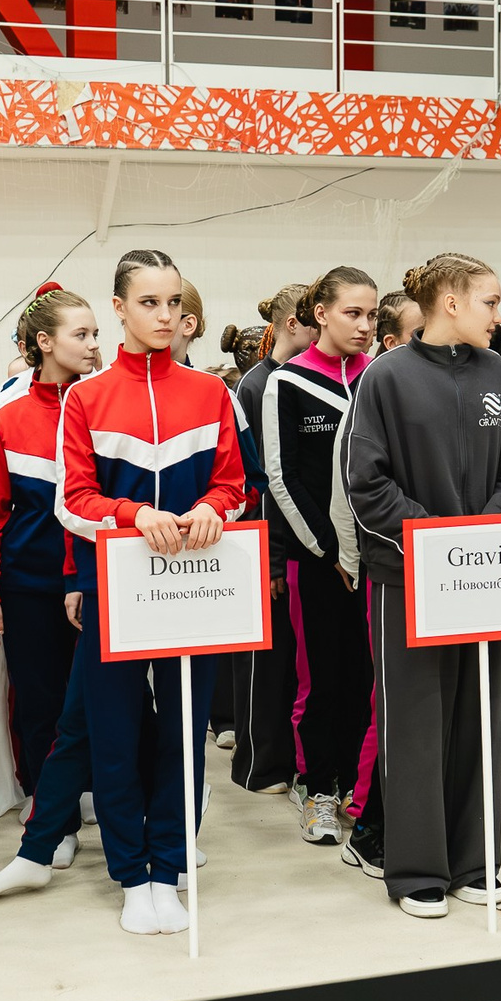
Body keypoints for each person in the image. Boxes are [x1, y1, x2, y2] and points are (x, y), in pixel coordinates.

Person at [0, 251, 247, 933]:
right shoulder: (84, 398)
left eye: (173, 302)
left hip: (196, 590)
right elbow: (73, 501)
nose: (165, 316)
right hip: (113, 588)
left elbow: (236, 485)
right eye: (148, 302)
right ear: (119, 308)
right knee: (115, 733)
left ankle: (168, 867)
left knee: (184, 733)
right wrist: (133, 515)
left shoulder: (212, 393)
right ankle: (131, 873)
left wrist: (217, 505)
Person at [333, 254, 501, 915]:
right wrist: (434, 539)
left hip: (486, 576)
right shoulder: (384, 378)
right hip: (409, 579)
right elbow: (365, 482)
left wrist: (484, 528)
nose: (500, 314)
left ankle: (477, 861)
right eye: (491, 300)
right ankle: (417, 868)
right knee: (417, 724)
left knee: (481, 717)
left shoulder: (500, 375)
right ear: (450, 302)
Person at [262, 267, 382, 847]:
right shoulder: (287, 383)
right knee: (321, 682)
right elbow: (282, 479)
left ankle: (361, 788)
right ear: (320, 315)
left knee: (368, 679)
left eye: (372, 314)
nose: (364, 325)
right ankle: (317, 789)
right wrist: (331, 550)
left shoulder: (381, 377)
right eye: (352, 313)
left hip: (379, 559)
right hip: (319, 561)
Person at [0, 287, 95, 855]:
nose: (94, 346)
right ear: (43, 343)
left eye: (97, 334)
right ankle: (57, 817)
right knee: (40, 703)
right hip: (27, 583)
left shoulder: (101, 403)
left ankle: (100, 797)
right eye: (82, 335)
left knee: (101, 701)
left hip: (94, 581)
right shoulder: (10, 412)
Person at [222, 284, 313, 791]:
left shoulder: (298, 379)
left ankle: (287, 756)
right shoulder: (257, 385)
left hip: (293, 542)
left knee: (291, 663)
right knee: (261, 662)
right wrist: (271, 558)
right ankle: (257, 764)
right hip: (260, 540)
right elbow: (262, 481)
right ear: (292, 325)